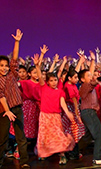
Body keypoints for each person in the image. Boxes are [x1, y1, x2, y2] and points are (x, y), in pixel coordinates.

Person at [33, 52, 75, 165]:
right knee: (44, 135)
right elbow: (40, 77)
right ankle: (44, 153)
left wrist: (68, 113)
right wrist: (37, 66)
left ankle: (62, 155)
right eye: (51, 80)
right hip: (45, 115)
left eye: (55, 80)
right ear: (47, 82)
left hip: (55, 116)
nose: (53, 82)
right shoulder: (44, 88)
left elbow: (62, 103)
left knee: (58, 134)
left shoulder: (60, 91)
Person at [0, 29, 30, 169]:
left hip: (17, 108)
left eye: (6, 65)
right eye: (1, 66)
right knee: (3, 138)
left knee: (21, 136)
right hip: (5, 111)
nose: (4, 68)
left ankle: (24, 161)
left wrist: (17, 42)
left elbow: (15, 59)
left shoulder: (12, 75)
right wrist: (7, 111)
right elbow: (1, 96)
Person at [77, 51, 101, 166]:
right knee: (100, 135)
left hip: (89, 113)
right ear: (82, 79)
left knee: (87, 136)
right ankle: (97, 157)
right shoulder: (85, 86)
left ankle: (73, 151)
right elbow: (91, 80)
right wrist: (92, 61)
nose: (91, 77)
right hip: (88, 112)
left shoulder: (87, 86)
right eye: (88, 76)